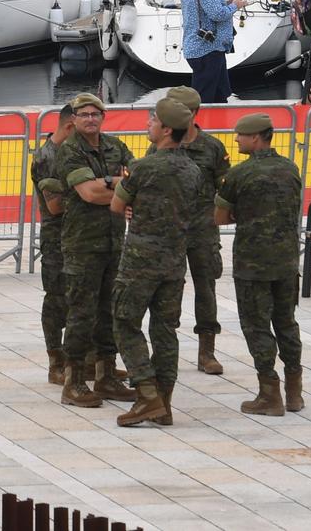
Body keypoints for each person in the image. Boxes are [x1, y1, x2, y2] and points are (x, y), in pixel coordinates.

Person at [109, 97, 208, 427]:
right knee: (166, 330)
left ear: (166, 130)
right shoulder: (193, 170)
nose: (148, 125)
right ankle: (164, 401)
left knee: (124, 321)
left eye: (152, 121)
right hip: (174, 260)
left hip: (139, 259)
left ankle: (148, 393)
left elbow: (116, 204)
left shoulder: (144, 167)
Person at [215, 112, 305, 416]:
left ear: (255, 138)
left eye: (240, 135)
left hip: (253, 263)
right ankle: (295, 390)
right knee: (286, 323)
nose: (237, 139)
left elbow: (220, 217)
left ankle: (269, 392)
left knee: (256, 326)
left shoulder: (240, 175)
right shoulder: (290, 168)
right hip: (286, 260)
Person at [56, 91, 135, 407]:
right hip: (82, 245)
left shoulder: (116, 146)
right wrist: (119, 187)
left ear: (103, 117)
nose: (90, 119)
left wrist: (111, 183)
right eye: (84, 114)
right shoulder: (70, 151)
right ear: (73, 119)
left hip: (114, 243)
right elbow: (88, 193)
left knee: (110, 312)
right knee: (81, 314)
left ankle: (106, 377)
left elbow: (135, 179)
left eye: (95, 114)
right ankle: (73, 381)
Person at [166, 84, 229, 376]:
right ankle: (167, 349)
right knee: (170, 289)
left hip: (203, 229)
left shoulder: (212, 147)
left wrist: (219, 216)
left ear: (193, 113)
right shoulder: (162, 144)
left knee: (206, 288)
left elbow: (225, 187)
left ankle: (207, 352)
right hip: (171, 229)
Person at [32, 109, 77, 385]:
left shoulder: (75, 152)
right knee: (56, 299)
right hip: (56, 237)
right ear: (70, 127)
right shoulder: (47, 157)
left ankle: (87, 359)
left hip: (79, 236)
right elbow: (55, 206)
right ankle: (56, 360)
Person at [179, 0, 247, 104]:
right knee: (205, 102)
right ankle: (202, 127)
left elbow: (206, 7)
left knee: (219, 98)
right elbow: (216, 13)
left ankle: (216, 128)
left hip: (204, 49)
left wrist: (227, 2)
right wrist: (235, 6)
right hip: (207, 51)